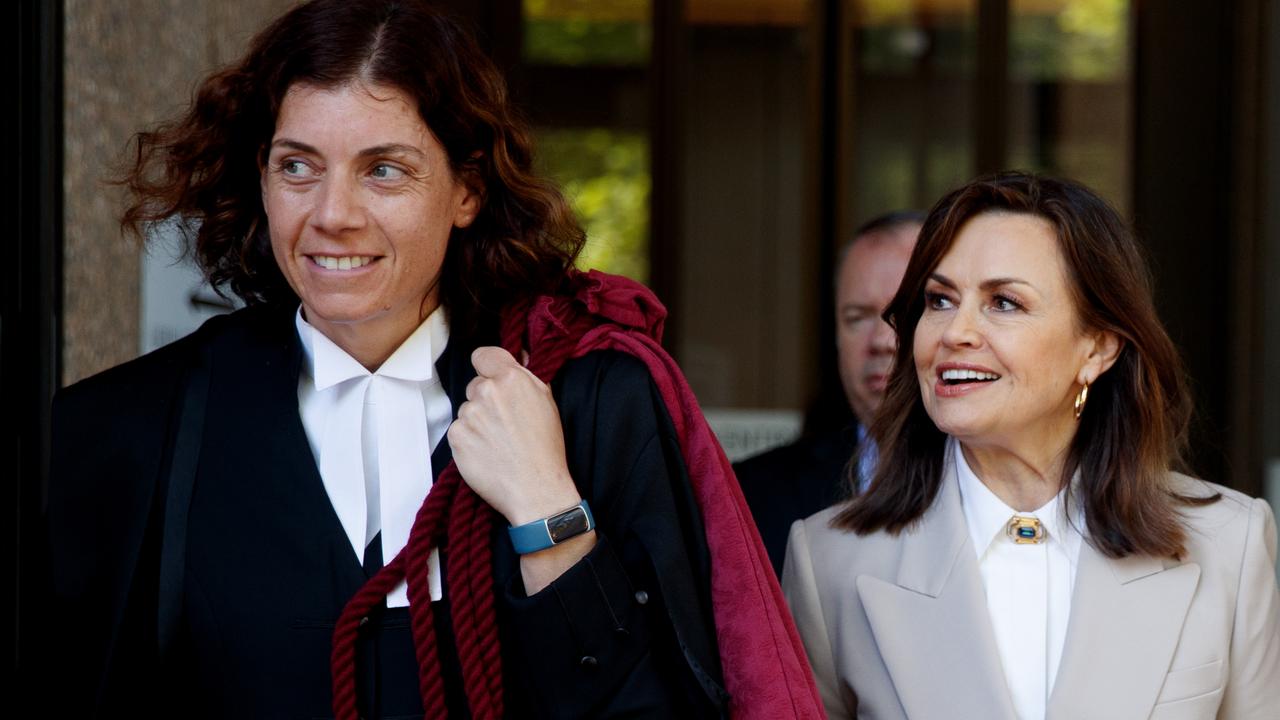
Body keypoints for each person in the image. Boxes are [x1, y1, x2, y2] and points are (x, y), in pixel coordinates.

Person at [43, 2, 822, 718]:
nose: (332, 215)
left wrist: (548, 510)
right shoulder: (131, 429)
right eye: (297, 166)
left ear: (467, 190)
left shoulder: (589, 397)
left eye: (384, 170)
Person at [783, 172, 1280, 719]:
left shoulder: (1229, 544)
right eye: (940, 299)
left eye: (1004, 303)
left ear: (1098, 346)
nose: (955, 332)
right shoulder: (829, 561)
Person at [735, 212, 920, 575]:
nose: (881, 341)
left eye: (905, 312)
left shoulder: (1004, 487)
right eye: (857, 317)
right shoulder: (753, 496)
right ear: (835, 335)